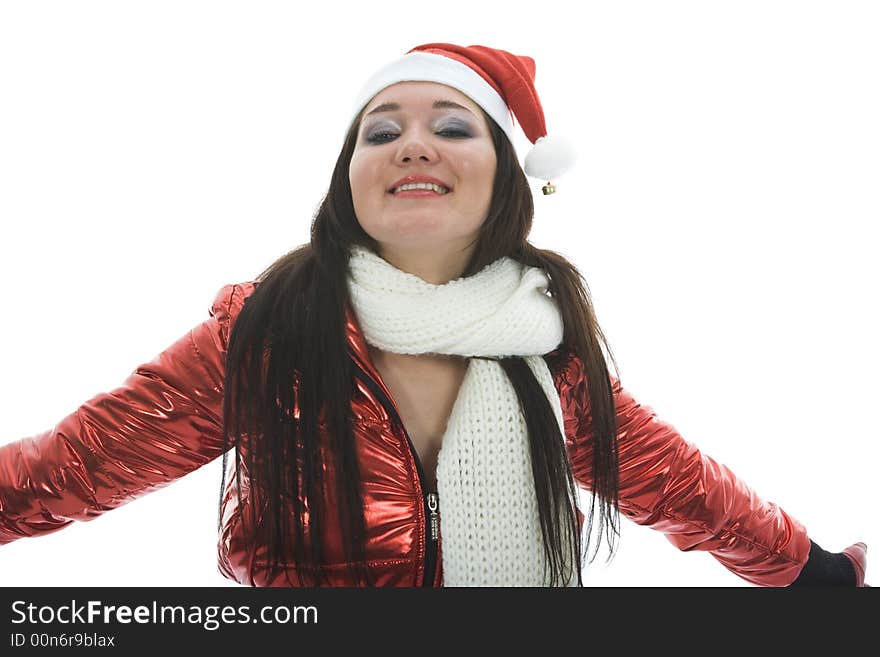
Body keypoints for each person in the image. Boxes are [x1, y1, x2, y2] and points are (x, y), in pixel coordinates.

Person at [0, 42, 869, 588]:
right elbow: (65, 473)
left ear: (505, 174)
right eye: (381, 132)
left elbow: (684, 488)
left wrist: (814, 577)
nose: (412, 143)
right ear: (352, 181)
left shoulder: (551, 344)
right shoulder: (265, 332)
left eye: (452, 126)